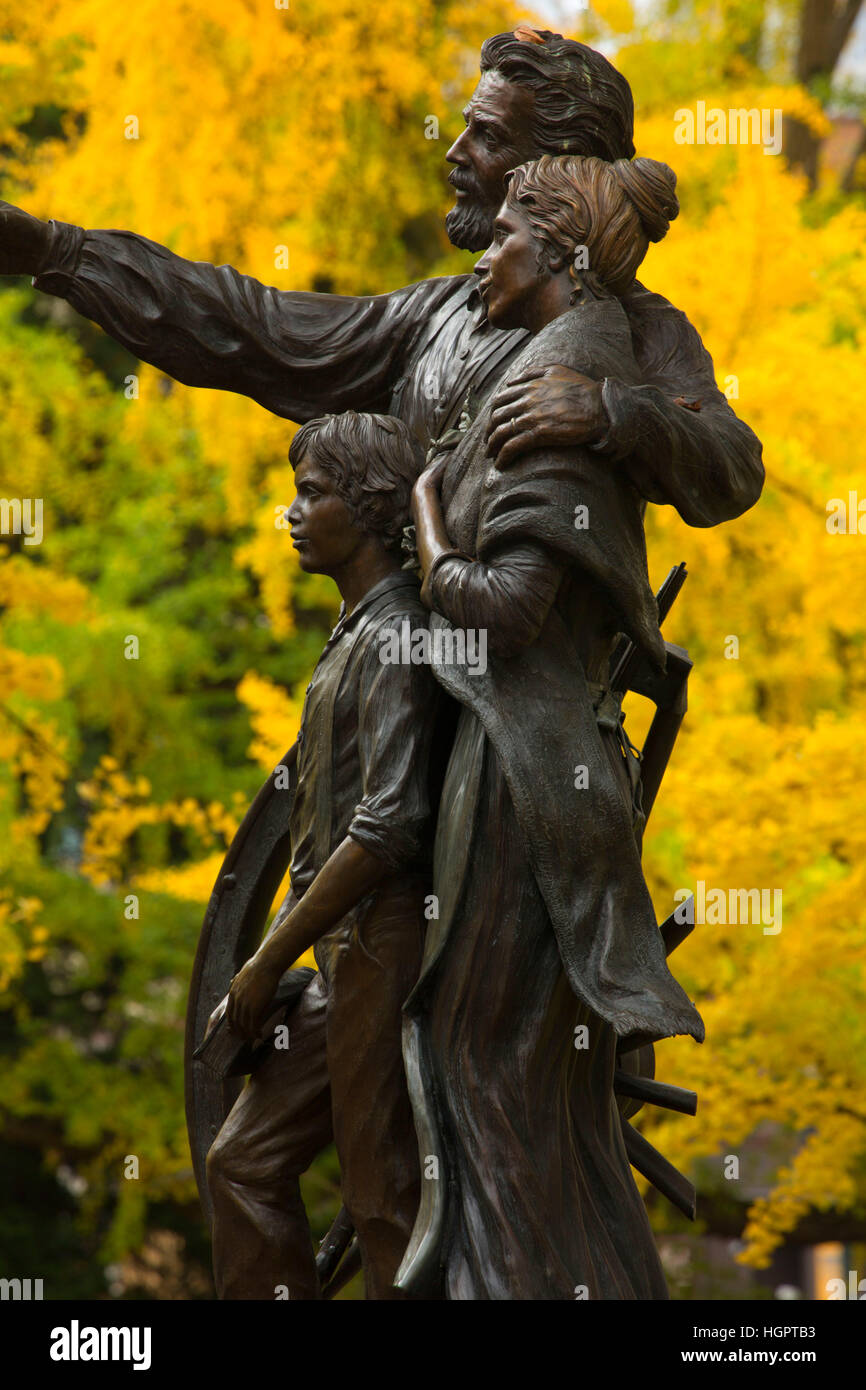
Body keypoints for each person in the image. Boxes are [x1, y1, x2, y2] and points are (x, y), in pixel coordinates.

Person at [0, 27, 763, 526]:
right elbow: (249, 324)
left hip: (518, 732)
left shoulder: (637, 333)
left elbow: (731, 468)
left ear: (555, 169)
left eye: (487, 136)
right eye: (464, 125)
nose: (454, 154)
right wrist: (61, 252)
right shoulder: (436, 317)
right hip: (396, 681)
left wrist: (613, 413)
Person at [399, 153, 705, 1300]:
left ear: (561, 253)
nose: (483, 252)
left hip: (526, 773)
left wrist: (427, 527)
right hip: (513, 759)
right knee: (495, 1084)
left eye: (505, 237)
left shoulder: (569, 371)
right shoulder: (527, 360)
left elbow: (508, 610)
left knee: (487, 1076)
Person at [206, 411, 442, 1299]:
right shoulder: (350, 637)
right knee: (241, 1160)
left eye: (313, 494)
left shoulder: (400, 638)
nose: (293, 513)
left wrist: (268, 958)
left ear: (375, 505)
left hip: (386, 946)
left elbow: (389, 823)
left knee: (382, 1195)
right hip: (337, 956)